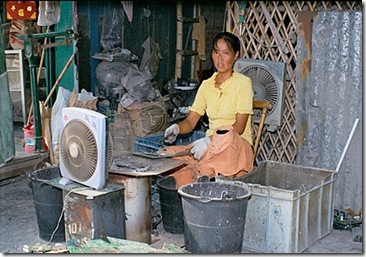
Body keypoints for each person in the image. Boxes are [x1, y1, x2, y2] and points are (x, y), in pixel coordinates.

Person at [162, 31, 254, 188]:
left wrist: (208, 141)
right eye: (216, 52)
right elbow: (191, 121)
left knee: (227, 136)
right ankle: (191, 191)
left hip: (236, 146)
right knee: (167, 155)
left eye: (226, 53)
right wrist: (176, 128)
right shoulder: (206, 85)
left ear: (236, 55)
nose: (220, 58)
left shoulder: (243, 83)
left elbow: (238, 128)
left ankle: (201, 173)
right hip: (212, 146)